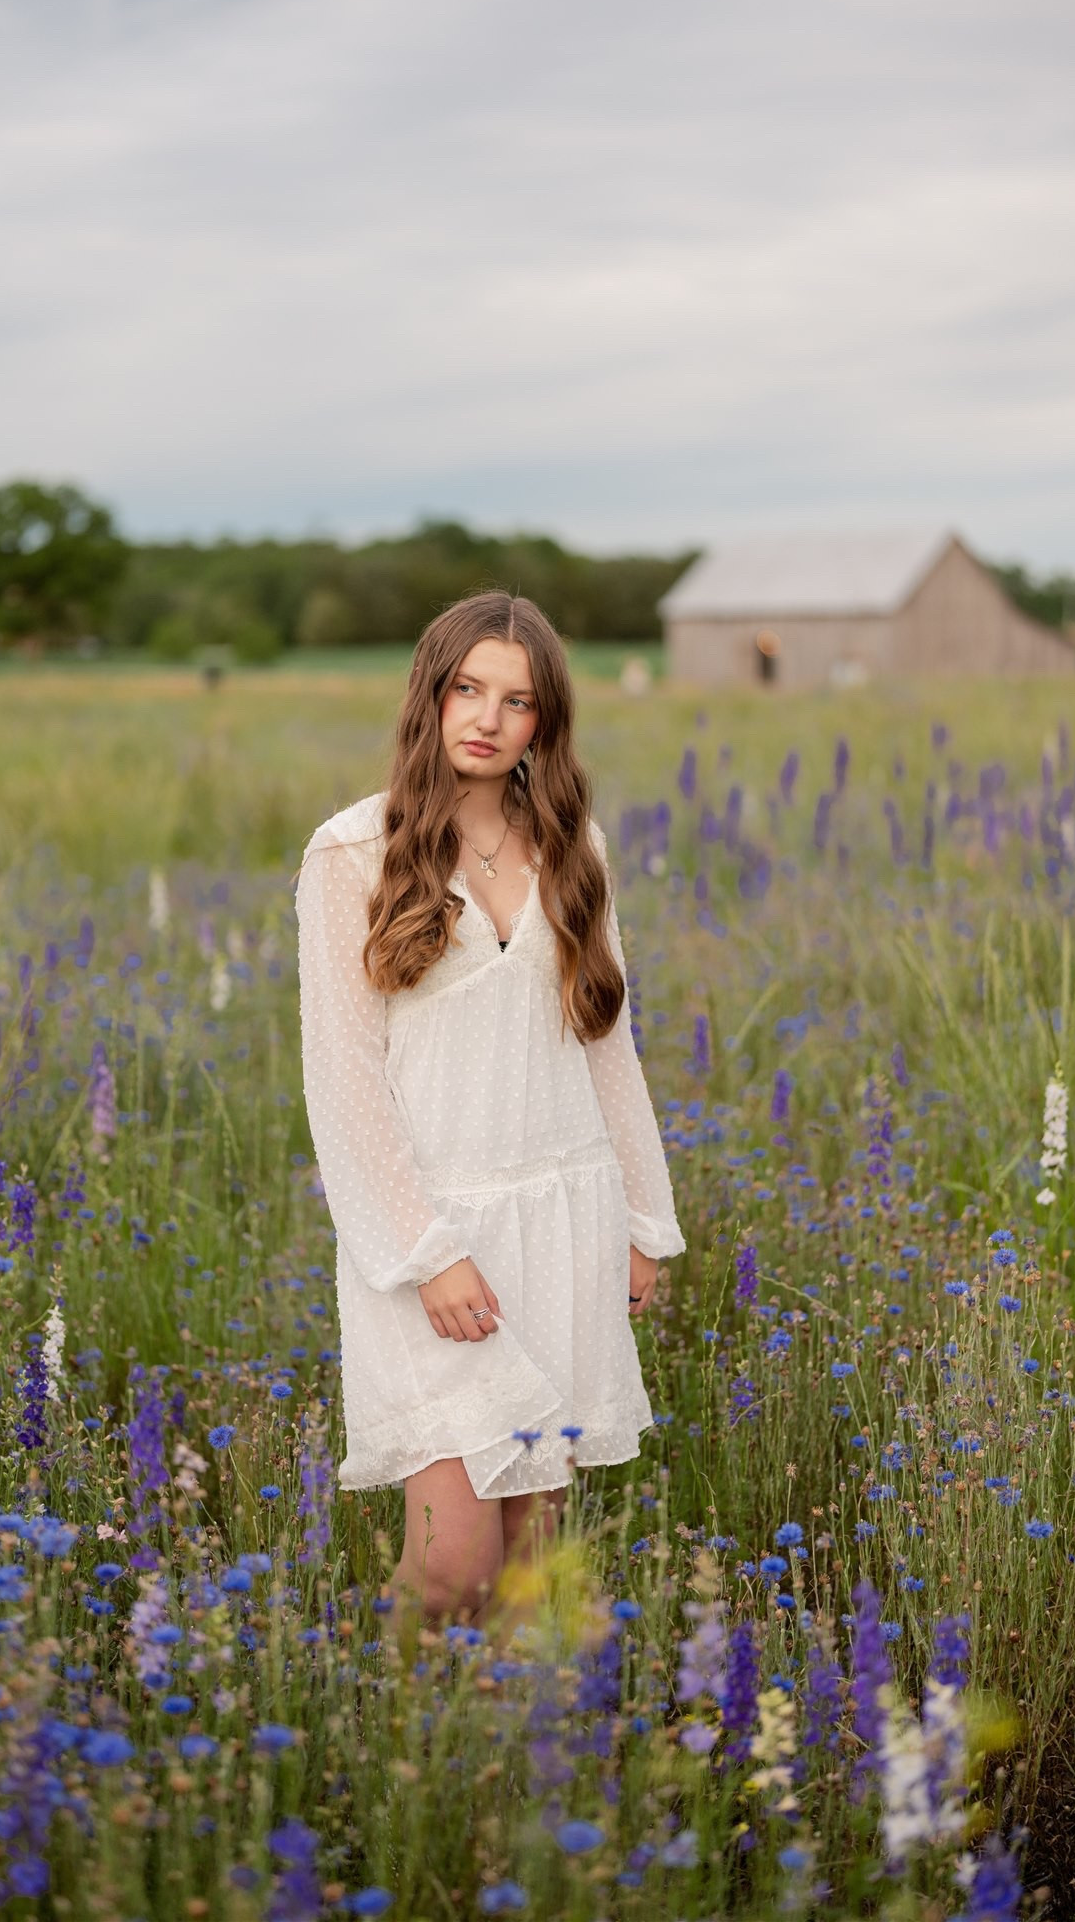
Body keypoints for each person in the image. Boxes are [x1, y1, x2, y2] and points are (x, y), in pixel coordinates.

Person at [294, 591, 686, 1623]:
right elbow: (344, 1082)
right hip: (429, 1235)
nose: (485, 716)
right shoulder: (351, 852)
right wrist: (429, 1251)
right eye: (466, 687)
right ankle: (395, 1767)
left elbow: (607, 1042)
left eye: (515, 699)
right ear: (429, 693)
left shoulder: (573, 845)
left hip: (563, 1215)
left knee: (529, 1564)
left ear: (543, 722)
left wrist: (643, 1219)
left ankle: (511, 1773)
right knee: (451, 1566)